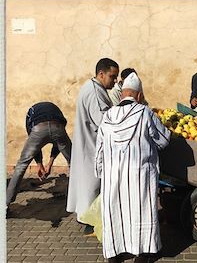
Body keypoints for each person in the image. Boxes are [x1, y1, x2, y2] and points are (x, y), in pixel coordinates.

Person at [94, 72, 171, 263]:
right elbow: (163, 139)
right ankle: (145, 252)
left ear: (122, 95)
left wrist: (101, 172)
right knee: (141, 209)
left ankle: (116, 252)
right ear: (138, 95)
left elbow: (100, 148)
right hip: (139, 176)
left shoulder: (108, 115)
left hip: (112, 175)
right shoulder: (145, 113)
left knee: (116, 211)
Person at [66, 58, 119, 234]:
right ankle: (91, 222)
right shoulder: (95, 92)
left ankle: (88, 218)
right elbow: (103, 122)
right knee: (92, 184)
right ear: (101, 74)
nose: (114, 81)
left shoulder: (93, 88)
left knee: (88, 184)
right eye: (112, 76)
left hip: (89, 145)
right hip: (91, 146)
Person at [6, 102, 71, 207]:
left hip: (38, 128)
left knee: (22, 165)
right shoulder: (57, 111)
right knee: (73, 162)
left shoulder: (31, 111)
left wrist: (39, 164)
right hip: (58, 127)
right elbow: (58, 143)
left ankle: (6, 204)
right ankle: (76, 200)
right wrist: (50, 163)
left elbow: (32, 137)